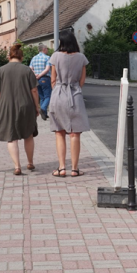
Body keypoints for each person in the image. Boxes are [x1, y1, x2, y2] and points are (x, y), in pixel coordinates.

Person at [0, 44, 40, 175]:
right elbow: (34, 90)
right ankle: (30, 162)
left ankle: (17, 166)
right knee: (28, 135)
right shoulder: (27, 70)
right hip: (26, 105)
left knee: (11, 137)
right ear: (21, 57)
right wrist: (36, 106)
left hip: (7, 106)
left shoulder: (2, 70)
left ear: (9, 56)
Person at [49, 30, 90, 177]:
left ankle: (61, 168)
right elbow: (82, 81)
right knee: (75, 133)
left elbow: (53, 79)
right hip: (75, 94)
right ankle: (74, 169)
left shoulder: (55, 56)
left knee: (59, 132)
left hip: (58, 94)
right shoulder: (82, 58)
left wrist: (58, 90)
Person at [30, 43, 52, 121]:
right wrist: (40, 75)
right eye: (47, 49)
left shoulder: (34, 58)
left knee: (42, 96)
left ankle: (44, 114)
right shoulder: (47, 58)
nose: (47, 50)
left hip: (36, 79)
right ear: (44, 49)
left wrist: (36, 75)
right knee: (48, 96)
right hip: (45, 78)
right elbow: (47, 69)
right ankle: (43, 108)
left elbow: (30, 68)